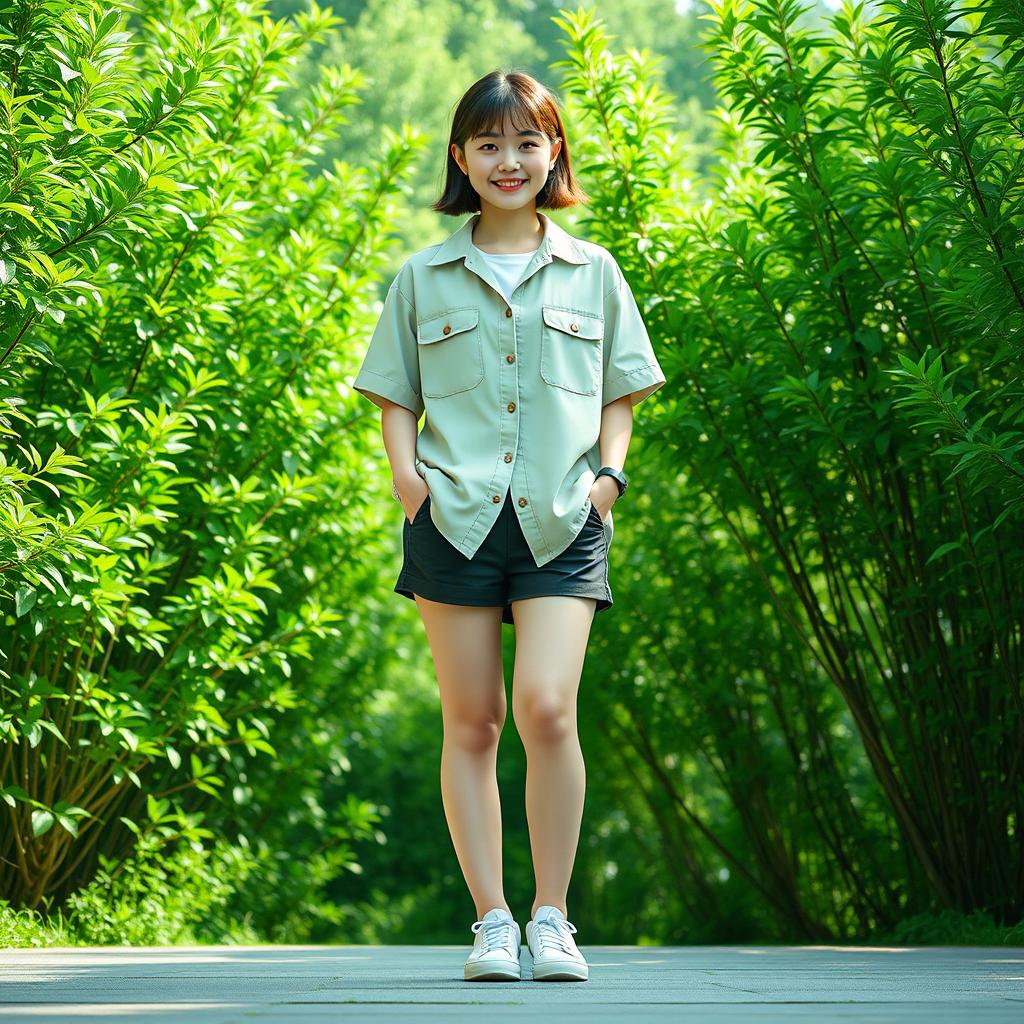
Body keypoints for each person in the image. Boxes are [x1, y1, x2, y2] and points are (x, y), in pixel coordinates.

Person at [352, 69, 665, 983]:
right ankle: (491, 919)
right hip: (451, 519)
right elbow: (393, 396)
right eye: (488, 144)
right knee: (476, 720)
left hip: (566, 517)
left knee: (547, 708)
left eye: (527, 141)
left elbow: (622, 391)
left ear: (552, 151)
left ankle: (553, 916)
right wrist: (408, 480)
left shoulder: (594, 271)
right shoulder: (422, 276)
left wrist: (609, 479)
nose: (509, 159)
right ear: (461, 158)